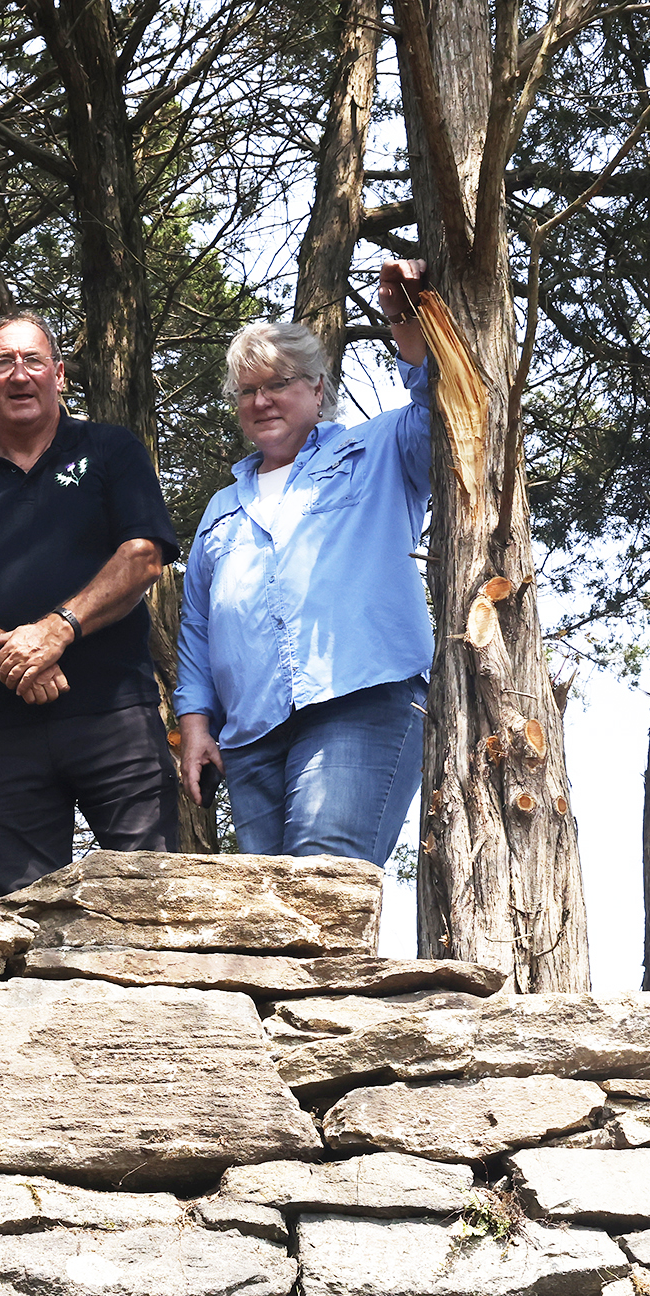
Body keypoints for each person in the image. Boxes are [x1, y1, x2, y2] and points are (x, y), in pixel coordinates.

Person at [0, 312, 181, 897]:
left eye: (33, 360)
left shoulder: (112, 450)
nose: (19, 374)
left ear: (58, 375)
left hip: (117, 718)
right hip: (2, 732)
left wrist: (58, 629)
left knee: (149, 897)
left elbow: (142, 556)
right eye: (3, 362)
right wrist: (12, 654)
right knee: (24, 914)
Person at [174, 259, 435, 863]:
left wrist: (405, 318)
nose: (261, 400)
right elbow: (198, 628)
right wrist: (195, 724)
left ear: (318, 389)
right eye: (247, 391)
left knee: (322, 882)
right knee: (268, 907)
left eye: (278, 383)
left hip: (359, 701)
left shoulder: (379, 449)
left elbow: (441, 408)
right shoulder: (222, 506)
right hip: (250, 733)